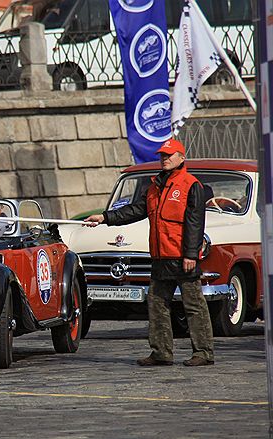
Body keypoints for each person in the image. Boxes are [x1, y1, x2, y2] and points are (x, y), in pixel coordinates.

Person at [85, 138, 214, 367]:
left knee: (194, 306)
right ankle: (161, 352)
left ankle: (203, 352)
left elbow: (195, 223)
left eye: (169, 155)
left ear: (181, 158)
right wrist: (105, 218)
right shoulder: (154, 186)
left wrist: (190, 255)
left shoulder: (191, 185)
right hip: (160, 257)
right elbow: (135, 210)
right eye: (162, 155)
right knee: (156, 305)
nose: (164, 159)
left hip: (181, 256)